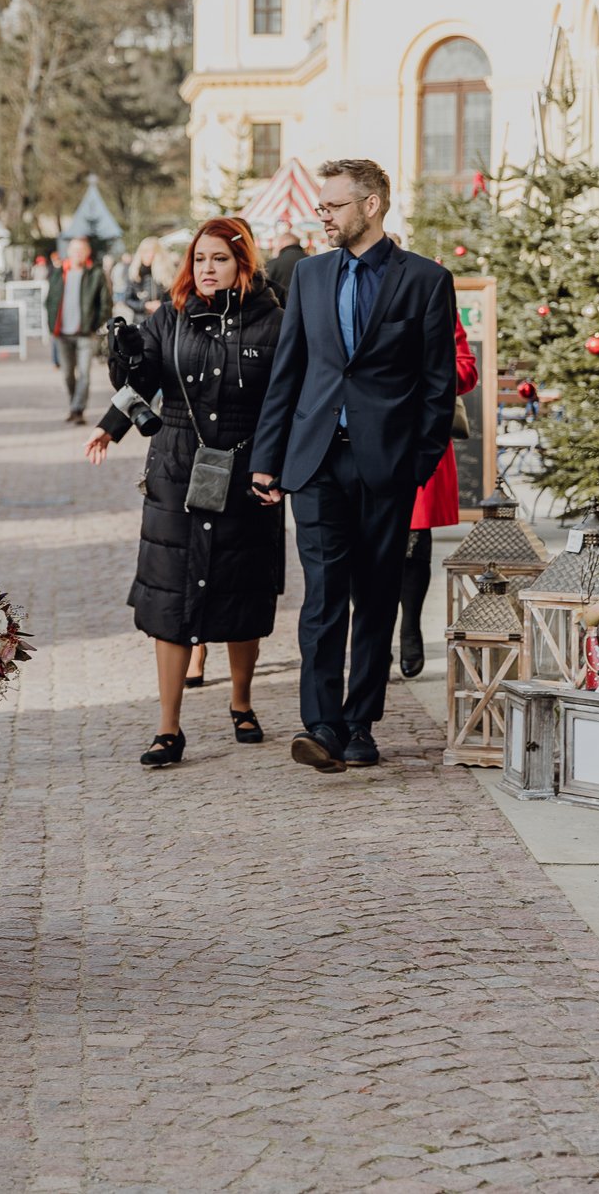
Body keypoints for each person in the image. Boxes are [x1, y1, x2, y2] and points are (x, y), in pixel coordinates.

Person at [251, 158, 457, 773]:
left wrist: (415, 464)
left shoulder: (424, 280)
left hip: (386, 466)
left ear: (371, 205)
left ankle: (361, 721)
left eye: (334, 205)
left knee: (374, 596)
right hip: (314, 462)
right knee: (322, 596)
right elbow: (288, 372)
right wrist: (268, 461)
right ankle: (321, 724)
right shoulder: (310, 276)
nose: (324, 215)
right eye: (322, 204)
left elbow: (436, 385)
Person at [85, 219, 286, 766]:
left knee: (244, 590)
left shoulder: (274, 322)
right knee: (170, 595)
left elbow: (284, 402)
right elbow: (141, 379)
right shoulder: (169, 318)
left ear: (243, 263)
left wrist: (276, 469)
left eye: (219, 259)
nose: (206, 269)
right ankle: (168, 726)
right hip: (176, 469)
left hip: (247, 475)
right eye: (200, 259)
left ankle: (241, 701)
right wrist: (111, 423)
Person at [397, 312, 479, 678]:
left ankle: (410, 626)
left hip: (418, 438)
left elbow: (466, 371)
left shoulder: (429, 292)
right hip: (357, 438)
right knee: (359, 544)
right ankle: (373, 633)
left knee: (414, 538)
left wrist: (423, 372)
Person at [53, 235, 111, 424]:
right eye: (74, 249)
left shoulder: (95, 273)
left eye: (81, 249)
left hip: (86, 332)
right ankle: (73, 405)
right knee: (68, 374)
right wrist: (50, 323)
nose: (77, 253)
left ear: (87, 252)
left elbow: (105, 303)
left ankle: (78, 409)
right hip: (62, 332)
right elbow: (50, 300)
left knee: (84, 374)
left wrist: (96, 324)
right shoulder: (59, 273)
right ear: (68, 251)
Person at [124, 236, 174, 316]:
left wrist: (162, 305)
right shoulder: (134, 273)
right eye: (144, 251)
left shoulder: (167, 275)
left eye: (149, 251)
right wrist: (144, 306)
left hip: (162, 322)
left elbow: (174, 300)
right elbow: (127, 300)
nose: (146, 255)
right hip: (141, 322)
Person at [267, 225, 309, 297]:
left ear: (282, 243)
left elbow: (266, 288)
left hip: (282, 305)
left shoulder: (274, 263)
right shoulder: (311, 261)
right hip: (308, 305)